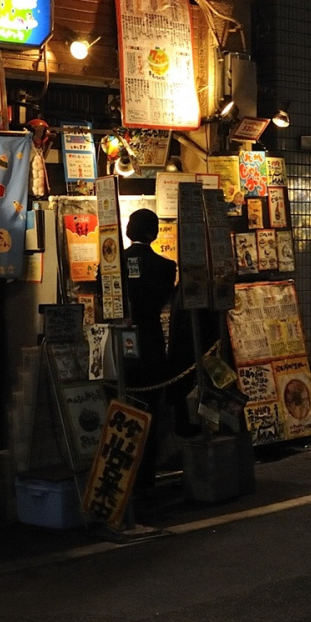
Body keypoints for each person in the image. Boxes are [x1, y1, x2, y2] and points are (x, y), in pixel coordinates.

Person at [123, 209, 177, 492]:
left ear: (129, 230)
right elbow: (164, 299)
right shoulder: (166, 267)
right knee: (151, 412)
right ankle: (146, 479)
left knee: (123, 409)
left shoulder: (113, 262)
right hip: (152, 341)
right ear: (153, 233)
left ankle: (124, 477)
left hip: (121, 343)